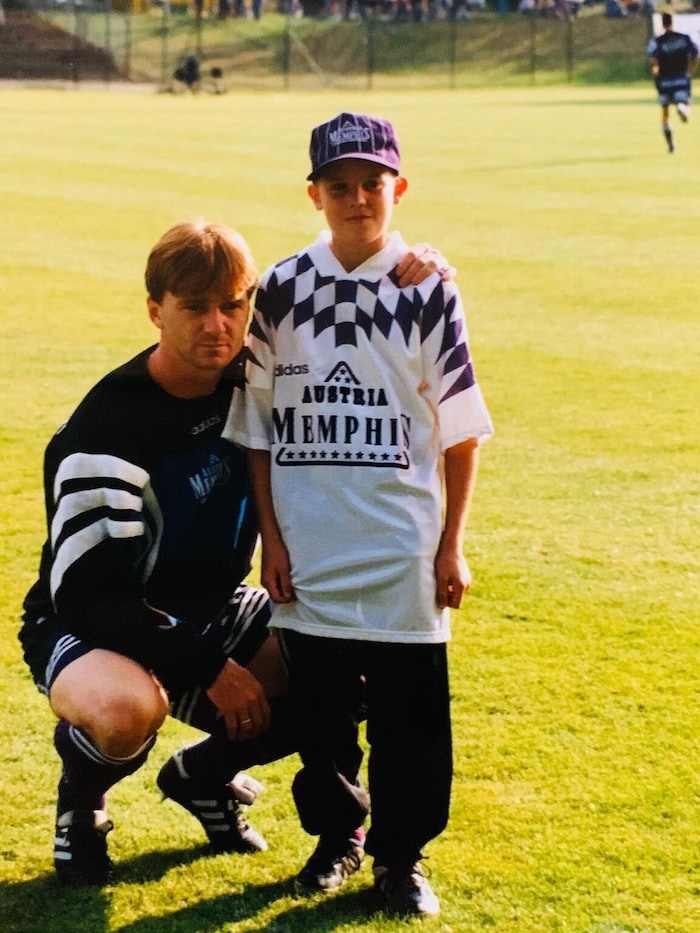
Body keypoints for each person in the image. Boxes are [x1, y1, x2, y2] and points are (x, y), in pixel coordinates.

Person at [19, 218, 455, 888]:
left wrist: (418, 273)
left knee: (347, 671)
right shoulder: (108, 429)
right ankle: (82, 799)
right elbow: (90, 597)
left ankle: (201, 775)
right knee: (125, 711)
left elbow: (361, 349)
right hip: (89, 623)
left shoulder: (256, 378)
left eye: (232, 305)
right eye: (194, 308)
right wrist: (210, 667)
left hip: (213, 607)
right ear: (155, 310)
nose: (216, 326)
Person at [226, 112, 494, 918]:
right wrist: (271, 540)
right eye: (338, 185)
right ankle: (337, 838)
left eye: (371, 183)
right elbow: (257, 429)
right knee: (323, 717)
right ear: (314, 194)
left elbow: (461, 429)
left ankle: (401, 858)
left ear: (398, 188)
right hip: (310, 549)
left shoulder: (427, 288)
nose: (356, 198)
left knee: (414, 718)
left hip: (403, 545)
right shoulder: (281, 288)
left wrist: (451, 545)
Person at [647, 12, 698, 153]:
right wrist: (690, 70)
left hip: (664, 81)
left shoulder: (657, 41)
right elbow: (695, 53)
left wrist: (655, 71)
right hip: (681, 78)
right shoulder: (684, 38)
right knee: (683, 101)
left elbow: (653, 59)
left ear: (662, 23)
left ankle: (671, 145)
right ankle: (681, 107)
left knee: (665, 112)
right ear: (673, 22)